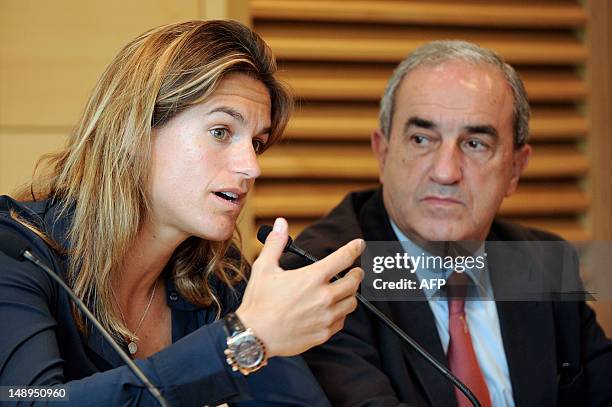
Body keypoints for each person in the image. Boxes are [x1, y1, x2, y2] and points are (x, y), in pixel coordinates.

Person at [0, 20, 365, 406]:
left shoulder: (218, 277)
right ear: (135, 131)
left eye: (256, 143)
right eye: (221, 132)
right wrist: (241, 341)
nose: (252, 167)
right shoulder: (16, 250)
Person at [281, 40, 612, 406]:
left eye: (474, 144)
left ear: (515, 169)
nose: (445, 172)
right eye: (422, 139)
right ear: (383, 152)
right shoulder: (322, 275)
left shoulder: (543, 264)